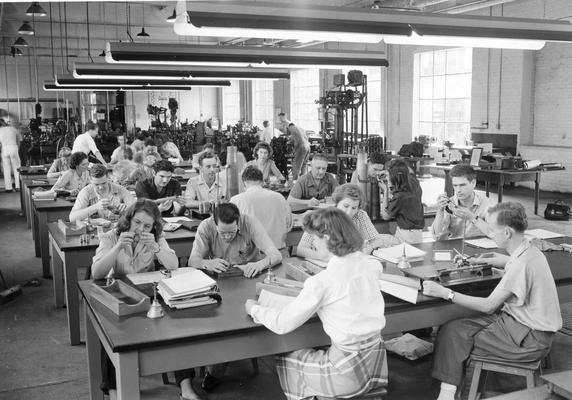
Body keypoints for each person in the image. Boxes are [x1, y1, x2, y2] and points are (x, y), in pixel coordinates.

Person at [423, 202, 562, 400]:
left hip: (529, 340)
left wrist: (445, 293)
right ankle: (451, 390)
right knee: (457, 328)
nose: (490, 234)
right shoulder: (529, 252)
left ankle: (448, 394)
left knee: (454, 334)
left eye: (492, 230)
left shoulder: (520, 264)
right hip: (525, 327)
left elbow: (488, 306)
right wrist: (490, 260)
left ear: (507, 233)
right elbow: (516, 264)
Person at [245, 207, 388, 400]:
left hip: (345, 377)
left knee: (287, 356)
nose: (314, 244)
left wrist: (254, 308)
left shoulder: (322, 282)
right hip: (376, 366)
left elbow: (282, 324)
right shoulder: (373, 264)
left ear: (327, 238)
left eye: (315, 239)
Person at [92, 199, 200, 400]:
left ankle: (186, 389)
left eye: (147, 225)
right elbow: (96, 272)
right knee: (111, 334)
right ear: (129, 220)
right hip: (121, 294)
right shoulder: (110, 236)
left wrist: (157, 248)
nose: (141, 228)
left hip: (149, 294)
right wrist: (117, 248)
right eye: (137, 223)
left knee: (177, 327)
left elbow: (174, 264)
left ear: (154, 226)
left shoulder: (156, 237)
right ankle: (115, 394)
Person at [297, 183, 399, 261]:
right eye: (346, 206)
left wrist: (370, 247)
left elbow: (377, 240)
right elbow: (301, 249)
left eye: (354, 208)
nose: (349, 212)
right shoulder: (323, 217)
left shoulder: (360, 215)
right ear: (337, 203)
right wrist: (325, 256)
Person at [230, 165, 292, 252]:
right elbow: (288, 226)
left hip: (251, 256)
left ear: (244, 183)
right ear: (262, 181)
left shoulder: (236, 200)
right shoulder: (280, 197)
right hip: (278, 252)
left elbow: (231, 230)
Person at [431, 164, 493, 240]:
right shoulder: (449, 204)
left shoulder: (486, 204)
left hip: (480, 248)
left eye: (462, 185)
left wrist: (472, 217)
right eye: (455, 185)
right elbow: (437, 237)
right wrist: (440, 211)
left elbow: (494, 233)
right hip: (455, 248)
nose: (458, 190)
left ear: (473, 183)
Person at [69, 164, 135, 222]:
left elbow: (138, 210)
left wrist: (127, 209)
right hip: (94, 231)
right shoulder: (85, 192)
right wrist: (95, 207)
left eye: (104, 183)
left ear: (108, 178)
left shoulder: (120, 189)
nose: (101, 187)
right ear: (90, 180)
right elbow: (72, 218)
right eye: (96, 184)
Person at [379, 159, 425, 244]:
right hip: (417, 235)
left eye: (389, 177)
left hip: (407, 237)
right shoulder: (414, 183)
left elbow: (385, 216)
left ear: (396, 177)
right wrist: (389, 171)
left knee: (376, 239)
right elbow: (409, 170)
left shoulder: (400, 196)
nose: (387, 179)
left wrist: (385, 191)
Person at [0, 119, 22, 192]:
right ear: (5, 123)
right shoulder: (13, 129)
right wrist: (17, 149)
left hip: (4, 149)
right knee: (17, 168)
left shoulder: (0, 130)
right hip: (13, 147)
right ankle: (18, 186)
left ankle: (8, 188)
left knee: (6, 169)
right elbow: (19, 140)